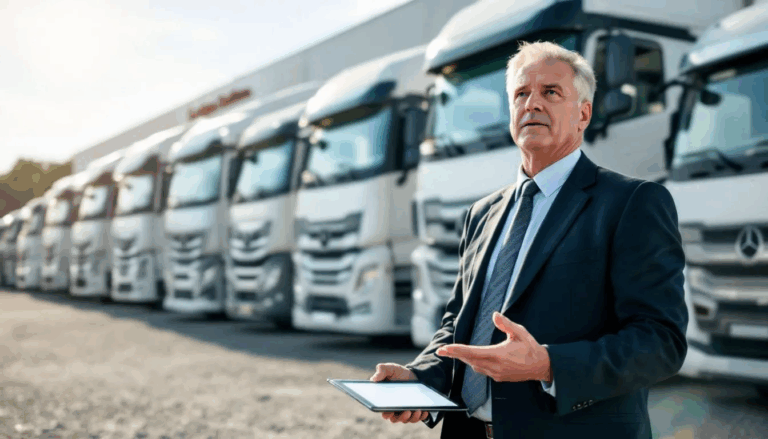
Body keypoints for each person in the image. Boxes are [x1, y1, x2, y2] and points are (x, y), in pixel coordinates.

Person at [370, 41, 687, 438]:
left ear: (583, 114)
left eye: (550, 92)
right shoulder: (482, 214)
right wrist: (420, 377)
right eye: (521, 94)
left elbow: (661, 341)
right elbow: (459, 326)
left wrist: (548, 365)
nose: (532, 104)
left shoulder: (631, 203)